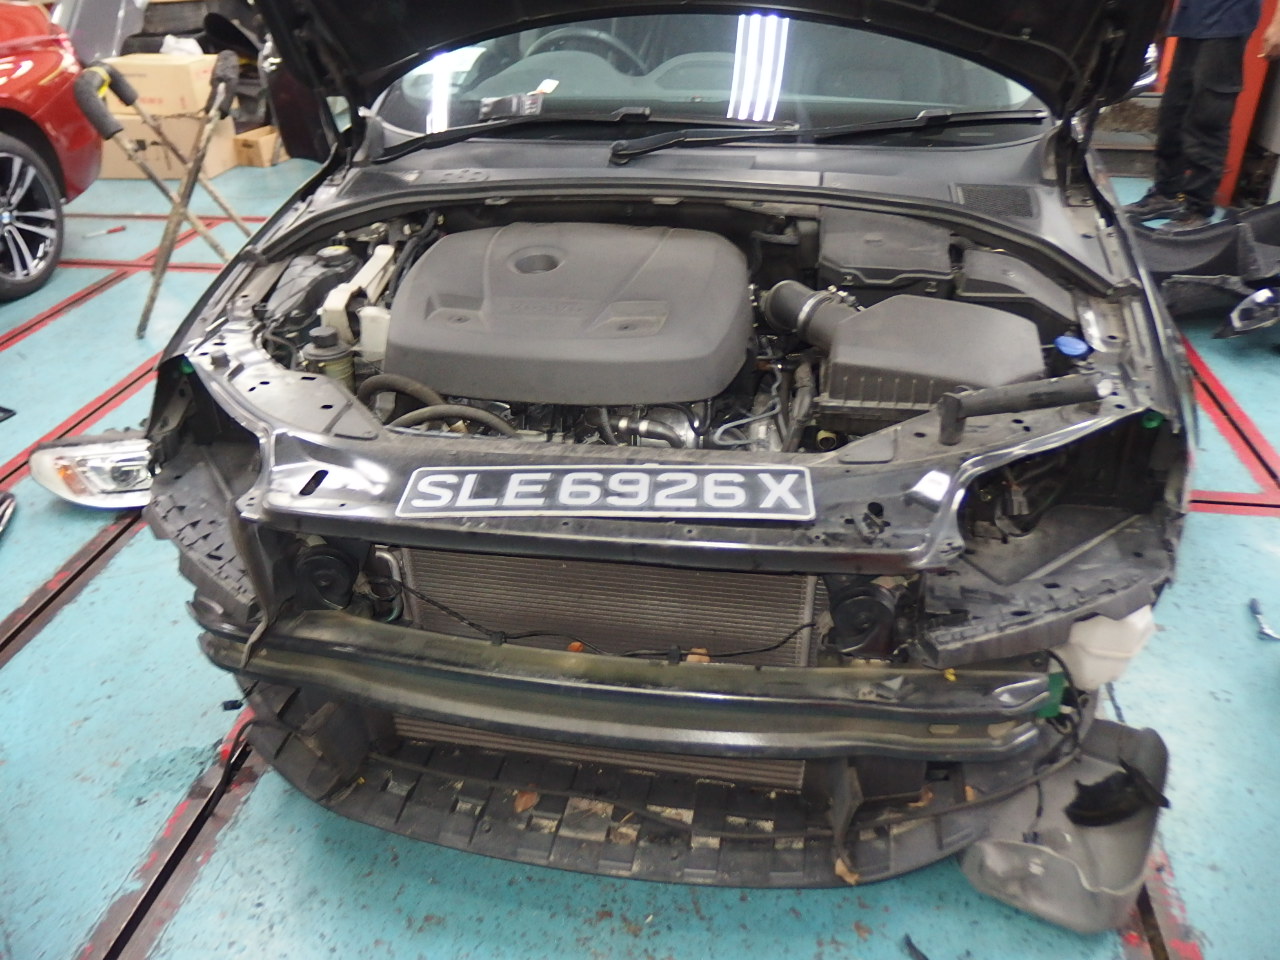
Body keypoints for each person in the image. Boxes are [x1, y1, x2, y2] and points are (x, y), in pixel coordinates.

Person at [1125, 0, 1280, 230]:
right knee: (1172, 112)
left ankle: (1198, 208)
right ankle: (1166, 194)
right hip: (1190, 19)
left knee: (1208, 117)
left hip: (1228, 20)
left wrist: (1278, 25)